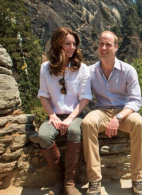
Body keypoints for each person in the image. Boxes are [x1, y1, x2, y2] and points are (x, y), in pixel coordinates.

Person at [81, 31, 142, 195]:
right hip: (102, 111)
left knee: (140, 124)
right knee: (87, 123)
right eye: (101, 44)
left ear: (116, 47)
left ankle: (138, 179)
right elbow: (82, 94)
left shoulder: (128, 70)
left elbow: (136, 100)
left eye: (108, 44)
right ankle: (94, 180)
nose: (104, 48)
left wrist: (118, 118)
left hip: (124, 111)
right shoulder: (89, 71)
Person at [37, 27, 92, 195]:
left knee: (75, 131)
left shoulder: (82, 69)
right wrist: (52, 115)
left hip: (75, 115)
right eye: (67, 43)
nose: (72, 47)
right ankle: (59, 179)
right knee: (43, 136)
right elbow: (43, 96)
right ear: (57, 44)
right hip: (54, 115)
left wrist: (69, 119)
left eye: (74, 44)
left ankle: (70, 182)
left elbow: (85, 98)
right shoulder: (45, 68)